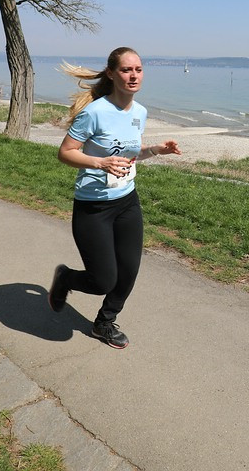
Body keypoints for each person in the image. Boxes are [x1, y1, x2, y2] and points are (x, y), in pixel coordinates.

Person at [47, 47, 181, 349]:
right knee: (103, 280)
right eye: (125, 70)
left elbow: (129, 156)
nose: (133, 75)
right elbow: (65, 153)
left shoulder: (140, 113)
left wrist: (155, 150)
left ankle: (104, 323)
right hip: (93, 206)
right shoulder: (94, 112)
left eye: (138, 70)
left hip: (126, 202)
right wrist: (100, 162)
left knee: (128, 273)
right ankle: (66, 278)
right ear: (111, 73)